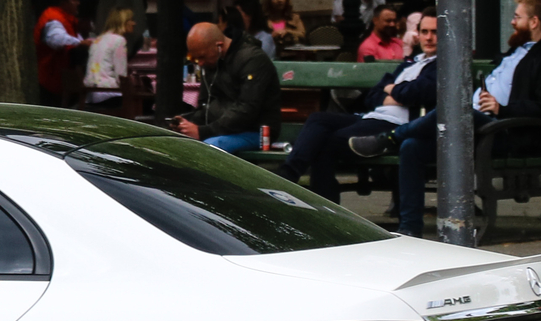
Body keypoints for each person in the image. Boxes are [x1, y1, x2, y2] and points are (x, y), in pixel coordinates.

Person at [379, 0, 541, 237]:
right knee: (413, 147)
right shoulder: (513, 53)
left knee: (454, 110)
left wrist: (503, 109)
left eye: (517, 17)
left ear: (534, 22)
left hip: (504, 132)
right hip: (475, 127)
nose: (512, 22)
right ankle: (409, 228)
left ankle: (390, 137)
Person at [280, 12, 438, 200]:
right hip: (371, 117)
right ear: (417, 34)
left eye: (435, 32)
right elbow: (372, 96)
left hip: (396, 126)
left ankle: (323, 206)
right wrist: (395, 92)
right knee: (318, 119)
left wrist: (392, 89)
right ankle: (287, 176)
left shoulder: (442, 66)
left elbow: (418, 93)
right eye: (424, 31)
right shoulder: (410, 64)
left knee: (326, 142)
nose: (428, 37)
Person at [173, 18, 277, 153]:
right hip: (222, 128)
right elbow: (206, 104)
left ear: (219, 46)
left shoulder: (252, 60)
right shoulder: (212, 61)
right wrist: (187, 123)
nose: (200, 63)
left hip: (255, 130)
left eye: (202, 57)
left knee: (209, 148)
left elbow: (247, 110)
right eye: (195, 59)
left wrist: (203, 131)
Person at [86, 7, 137, 111]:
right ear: (123, 22)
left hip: (91, 94)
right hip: (109, 94)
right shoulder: (119, 41)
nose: (134, 23)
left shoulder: (99, 39)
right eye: (131, 20)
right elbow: (121, 75)